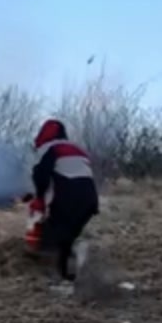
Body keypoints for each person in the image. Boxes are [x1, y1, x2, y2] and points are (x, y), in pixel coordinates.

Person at [28, 119, 100, 281]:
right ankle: (72, 273)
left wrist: (39, 197)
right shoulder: (78, 149)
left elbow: (41, 174)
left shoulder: (49, 148)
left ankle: (52, 275)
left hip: (69, 198)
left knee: (50, 236)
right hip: (90, 201)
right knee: (67, 237)